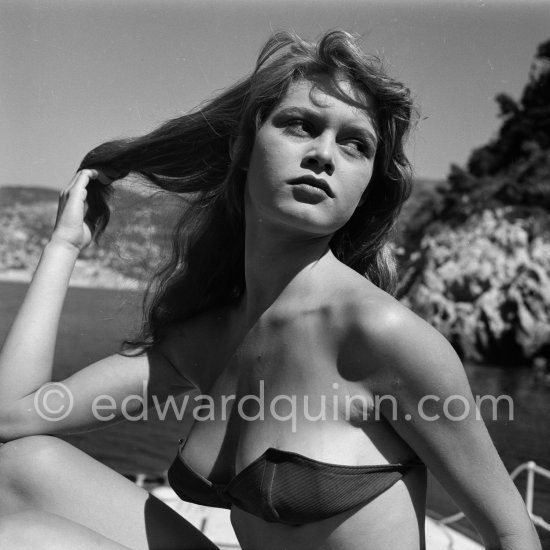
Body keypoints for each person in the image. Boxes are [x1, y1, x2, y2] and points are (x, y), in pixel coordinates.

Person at [0, 29, 540, 550]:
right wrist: (64, 246)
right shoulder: (212, 336)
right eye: (301, 125)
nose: (325, 154)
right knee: (19, 467)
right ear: (243, 147)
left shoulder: (381, 335)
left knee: (26, 539)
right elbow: (13, 418)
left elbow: (512, 534)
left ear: (367, 184)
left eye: (356, 144)